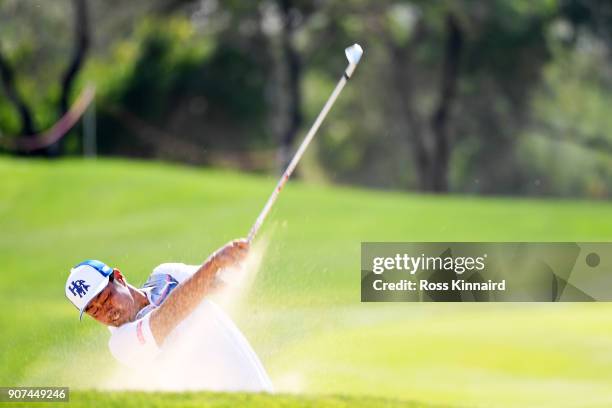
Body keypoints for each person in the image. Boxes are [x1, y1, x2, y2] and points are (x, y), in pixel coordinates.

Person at [64, 239, 273, 392]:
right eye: (94, 310)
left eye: (106, 296)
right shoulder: (122, 344)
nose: (106, 310)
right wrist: (214, 263)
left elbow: (222, 282)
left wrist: (232, 262)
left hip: (259, 388)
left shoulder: (167, 274)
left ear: (118, 277)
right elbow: (166, 317)